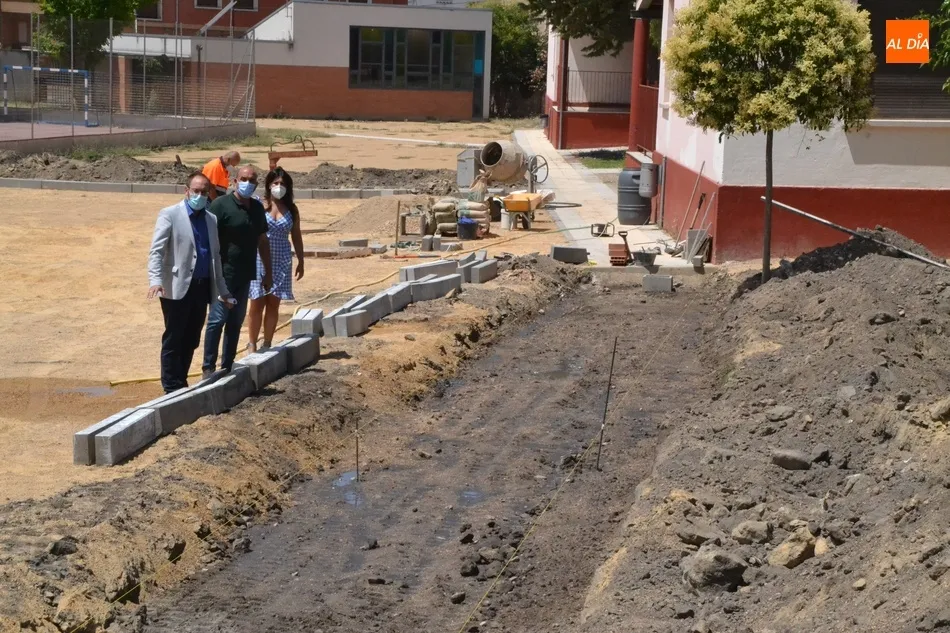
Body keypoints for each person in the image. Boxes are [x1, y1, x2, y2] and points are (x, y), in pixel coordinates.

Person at [147, 172, 232, 394]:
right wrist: (155, 280)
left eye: (204, 192)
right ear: (187, 191)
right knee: (174, 336)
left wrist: (223, 290)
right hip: (176, 286)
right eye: (196, 191)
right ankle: (171, 387)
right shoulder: (170, 214)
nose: (200, 195)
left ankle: (181, 381)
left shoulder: (211, 219)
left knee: (192, 337)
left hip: (202, 287)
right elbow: (157, 251)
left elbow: (215, 257)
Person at [202, 165, 273, 379]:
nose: (247, 183)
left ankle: (227, 366)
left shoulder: (257, 208)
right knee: (217, 320)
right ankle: (208, 368)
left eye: (252, 180)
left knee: (235, 322)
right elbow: (208, 238)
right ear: (235, 181)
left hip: (245, 274)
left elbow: (262, 240)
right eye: (243, 179)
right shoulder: (220, 205)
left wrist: (268, 272)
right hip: (222, 274)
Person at [247, 168, 305, 352]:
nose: (279, 187)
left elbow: (296, 236)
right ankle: (252, 343)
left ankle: (267, 343)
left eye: (283, 184)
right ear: (269, 185)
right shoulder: (258, 204)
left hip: (282, 259)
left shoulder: (292, 209)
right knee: (257, 302)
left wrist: (301, 260)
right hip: (258, 258)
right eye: (276, 183)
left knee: (273, 303)